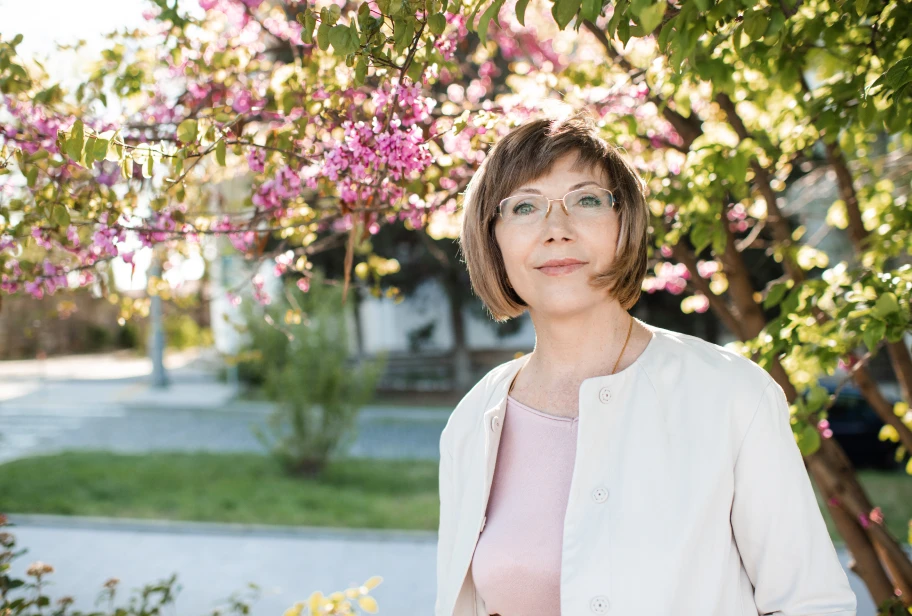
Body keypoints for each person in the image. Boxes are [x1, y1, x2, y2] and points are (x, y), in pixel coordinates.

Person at [434, 110, 857, 616]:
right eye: (524, 207)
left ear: (624, 223)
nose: (556, 229)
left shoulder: (732, 396)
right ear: (493, 239)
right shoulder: (473, 420)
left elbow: (811, 604)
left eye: (586, 200)